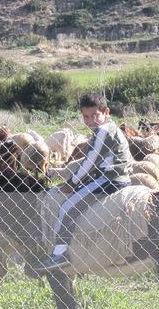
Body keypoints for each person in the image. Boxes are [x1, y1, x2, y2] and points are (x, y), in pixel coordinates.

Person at [35, 93, 131, 272]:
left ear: (106, 112)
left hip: (110, 179)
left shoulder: (103, 131)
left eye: (95, 115)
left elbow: (90, 161)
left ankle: (60, 254)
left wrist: (72, 183)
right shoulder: (110, 128)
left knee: (66, 208)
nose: (91, 120)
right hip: (117, 177)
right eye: (86, 116)